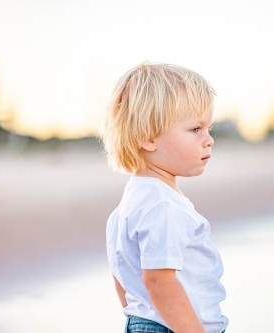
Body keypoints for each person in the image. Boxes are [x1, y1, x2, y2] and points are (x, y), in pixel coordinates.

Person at [100, 62, 228, 333]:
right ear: (148, 137)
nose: (208, 140)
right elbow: (159, 281)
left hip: (145, 324)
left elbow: (123, 276)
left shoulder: (131, 202)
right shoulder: (162, 205)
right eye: (195, 129)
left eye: (209, 129)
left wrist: (140, 319)